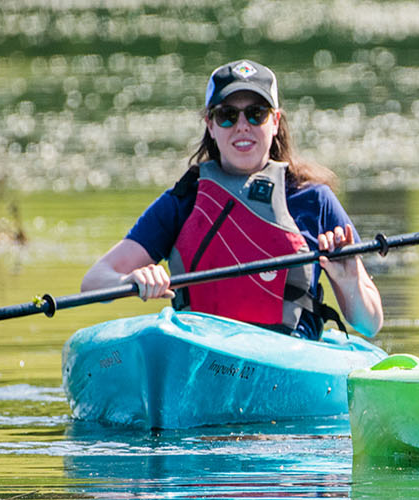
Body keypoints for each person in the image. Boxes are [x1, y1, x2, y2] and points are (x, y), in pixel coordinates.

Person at [81, 59, 383, 340]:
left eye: (256, 114)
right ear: (210, 125)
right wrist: (132, 280)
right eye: (227, 115)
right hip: (203, 351)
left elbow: (369, 323)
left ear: (275, 122)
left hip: (290, 355)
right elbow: (94, 281)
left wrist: (349, 279)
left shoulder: (314, 200)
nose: (242, 126)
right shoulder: (184, 202)